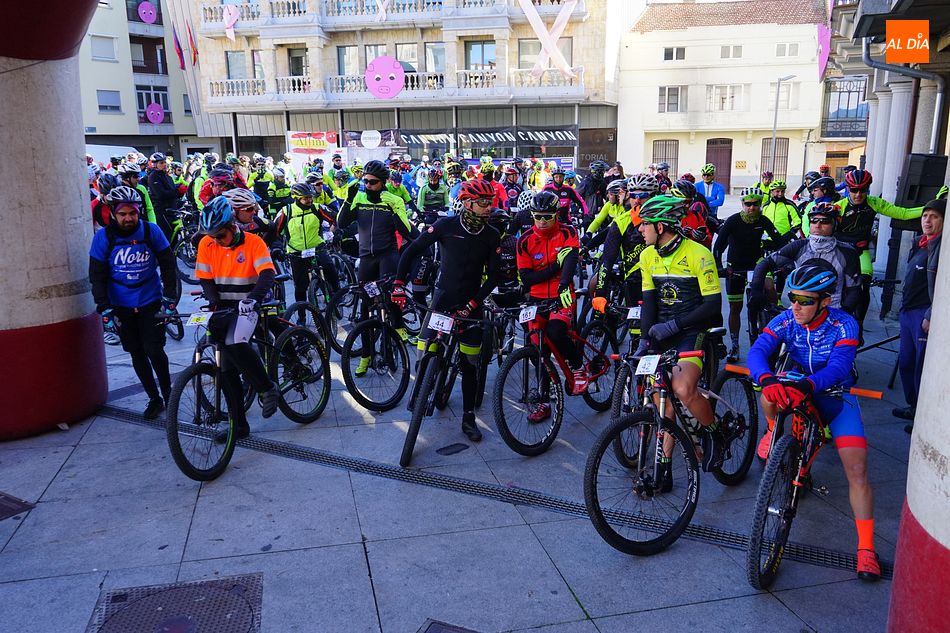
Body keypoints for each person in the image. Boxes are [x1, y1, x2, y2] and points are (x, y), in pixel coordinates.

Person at [747, 261, 880, 582]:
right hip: (796, 384)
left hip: (834, 395)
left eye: (805, 300)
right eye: (792, 297)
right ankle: (772, 432)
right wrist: (766, 379)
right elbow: (757, 352)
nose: (796, 305)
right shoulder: (787, 318)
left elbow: (839, 366)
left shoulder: (844, 324)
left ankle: (866, 548)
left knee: (858, 471)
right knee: (769, 396)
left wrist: (809, 384)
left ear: (824, 301)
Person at [392, 178, 501, 442]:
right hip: (441, 299)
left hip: (471, 306)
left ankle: (467, 417)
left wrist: (473, 305)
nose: (488, 208)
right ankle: (427, 382)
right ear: (466, 203)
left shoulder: (491, 235)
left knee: (470, 365)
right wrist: (398, 283)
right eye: (483, 203)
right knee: (425, 352)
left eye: (490, 203)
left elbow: (494, 277)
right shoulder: (445, 225)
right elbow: (412, 250)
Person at [637, 195, 725, 472]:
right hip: (661, 332)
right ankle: (662, 468)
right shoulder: (647, 256)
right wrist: (644, 339)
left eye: (644, 224)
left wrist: (675, 325)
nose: (639, 229)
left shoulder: (699, 254)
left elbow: (713, 306)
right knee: (661, 399)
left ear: (661, 226)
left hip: (692, 331)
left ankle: (714, 433)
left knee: (683, 388)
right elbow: (649, 303)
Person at [195, 197, 281, 440]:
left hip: (247, 305)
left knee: (235, 343)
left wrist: (252, 299)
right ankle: (239, 426)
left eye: (220, 235)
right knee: (225, 368)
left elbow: (267, 275)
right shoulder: (207, 243)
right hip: (223, 307)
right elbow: (205, 278)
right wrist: (213, 302)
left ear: (232, 226)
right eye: (211, 236)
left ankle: (267, 388)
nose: (216, 241)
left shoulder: (253, 242)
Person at [89, 186, 177, 419]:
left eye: (133, 213)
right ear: (113, 214)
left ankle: (170, 396)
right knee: (137, 353)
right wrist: (104, 307)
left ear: (139, 212)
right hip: (121, 306)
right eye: (123, 214)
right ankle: (154, 398)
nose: (128, 218)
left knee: (155, 351)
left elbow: (169, 265)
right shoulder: (103, 238)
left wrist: (170, 298)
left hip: (150, 301)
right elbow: (96, 275)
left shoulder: (151, 231)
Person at [516, 190, 588, 415]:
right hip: (536, 297)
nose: (543, 221)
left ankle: (578, 366)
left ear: (557, 214)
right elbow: (527, 278)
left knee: (556, 333)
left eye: (548, 216)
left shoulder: (568, 231)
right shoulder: (525, 240)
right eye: (538, 216)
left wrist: (562, 282)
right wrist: (555, 266)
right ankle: (544, 399)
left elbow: (570, 262)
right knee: (537, 346)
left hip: (562, 293)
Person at [824, 169, 924, 324]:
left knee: (863, 286)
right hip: (840, 252)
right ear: (848, 189)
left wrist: (932, 206)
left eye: (862, 190)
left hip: (860, 251)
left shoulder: (874, 202)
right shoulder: (839, 207)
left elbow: (903, 213)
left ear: (867, 189)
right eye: (854, 190)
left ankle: (859, 326)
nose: (858, 195)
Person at [749, 202, 861, 317]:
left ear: (835, 224)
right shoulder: (799, 246)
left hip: (832, 313)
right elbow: (764, 264)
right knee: (768, 333)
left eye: (825, 221)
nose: (817, 225)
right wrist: (756, 291)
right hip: (798, 311)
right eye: (813, 220)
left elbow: (854, 290)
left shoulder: (848, 252)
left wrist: (844, 314)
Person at [714, 189, 787, 361]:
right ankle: (735, 346)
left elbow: (778, 242)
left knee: (770, 287)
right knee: (735, 308)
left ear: (760, 204)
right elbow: (718, 247)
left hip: (757, 264)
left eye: (755, 204)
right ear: (742, 204)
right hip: (735, 267)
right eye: (748, 204)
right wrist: (720, 267)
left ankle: (773, 320)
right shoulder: (732, 221)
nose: (752, 208)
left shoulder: (763, 220)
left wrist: (783, 255)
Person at [896, 198, 944, 432]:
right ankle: (913, 406)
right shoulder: (920, 243)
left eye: (934, 216)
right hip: (907, 312)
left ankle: (921, 419)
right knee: (905, 362)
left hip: (922, 315)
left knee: (919, 366)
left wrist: (930, 313)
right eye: (925, 215)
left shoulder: (942, 249)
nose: (928, 220)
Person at [281, 182, 340, 304]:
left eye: (311, 197)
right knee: (300, 286)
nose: (310, 200)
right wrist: (277, 248)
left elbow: (336, 218)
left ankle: (337, 295)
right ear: (296, 198)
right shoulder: (287, 211)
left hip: (317, 247)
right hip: (296, 252)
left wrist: (335, 232)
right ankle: (301, 315)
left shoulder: (316, 208)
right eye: (306, 198)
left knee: (330, 270)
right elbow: (274, 231)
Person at [146, 152, 181, 240]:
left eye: (164, 162)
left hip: (172, 210)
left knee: (175, 236)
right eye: (161, 163)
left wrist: (180, 195)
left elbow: (172, 192)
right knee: (167, 235)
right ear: (155, 164)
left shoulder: (167, 176)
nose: (164, 164)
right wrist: (177, 191)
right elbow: (161, 194)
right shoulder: (153, 177)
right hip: (162, 211)